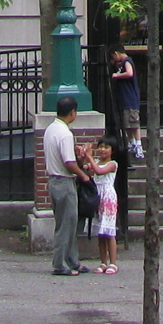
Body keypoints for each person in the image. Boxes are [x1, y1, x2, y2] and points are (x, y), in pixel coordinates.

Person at [43, 95, 92, 276]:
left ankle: (72, 260)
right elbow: (69, 162)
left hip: (53, 181)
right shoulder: (65, 134)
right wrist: (82, 175)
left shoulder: (50, 129)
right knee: (67, 224)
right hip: (64, 181)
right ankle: (60, 263)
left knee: (67, 222)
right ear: (72, 112)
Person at [87, 141, 121, 272]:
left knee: (109, 231)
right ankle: (103, 262)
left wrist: (90, 157)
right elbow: (86, 167)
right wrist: (83, 155)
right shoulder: (96, 162)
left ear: (112, 150)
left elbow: (99, 171)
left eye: (106, 147)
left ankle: (113, 262)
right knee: (101, 233)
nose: (102, 150)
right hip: (98, 197)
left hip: (108, 197)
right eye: (100, 147)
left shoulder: (112, 164)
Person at [108, 44, 141, 158]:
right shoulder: (121, 63)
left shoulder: (127, 61)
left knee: (134, 123)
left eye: (113, 57)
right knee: (127, 123)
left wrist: (117, 75)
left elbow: (129, 73)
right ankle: (132, 142)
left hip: (130, 98)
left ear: (116, 53)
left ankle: (138, 145)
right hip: (125, 99)